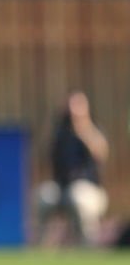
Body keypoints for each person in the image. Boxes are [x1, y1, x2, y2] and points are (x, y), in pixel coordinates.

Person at [37, 90, 109, 247]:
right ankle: (41, 248)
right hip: (62, 188)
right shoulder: (61, 133)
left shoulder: (93, 129)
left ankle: (87, 246)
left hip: (89, 189)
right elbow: (44, 151)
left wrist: (83, 129)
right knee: (44, 196)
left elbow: (101, 152)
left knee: (78, 196)